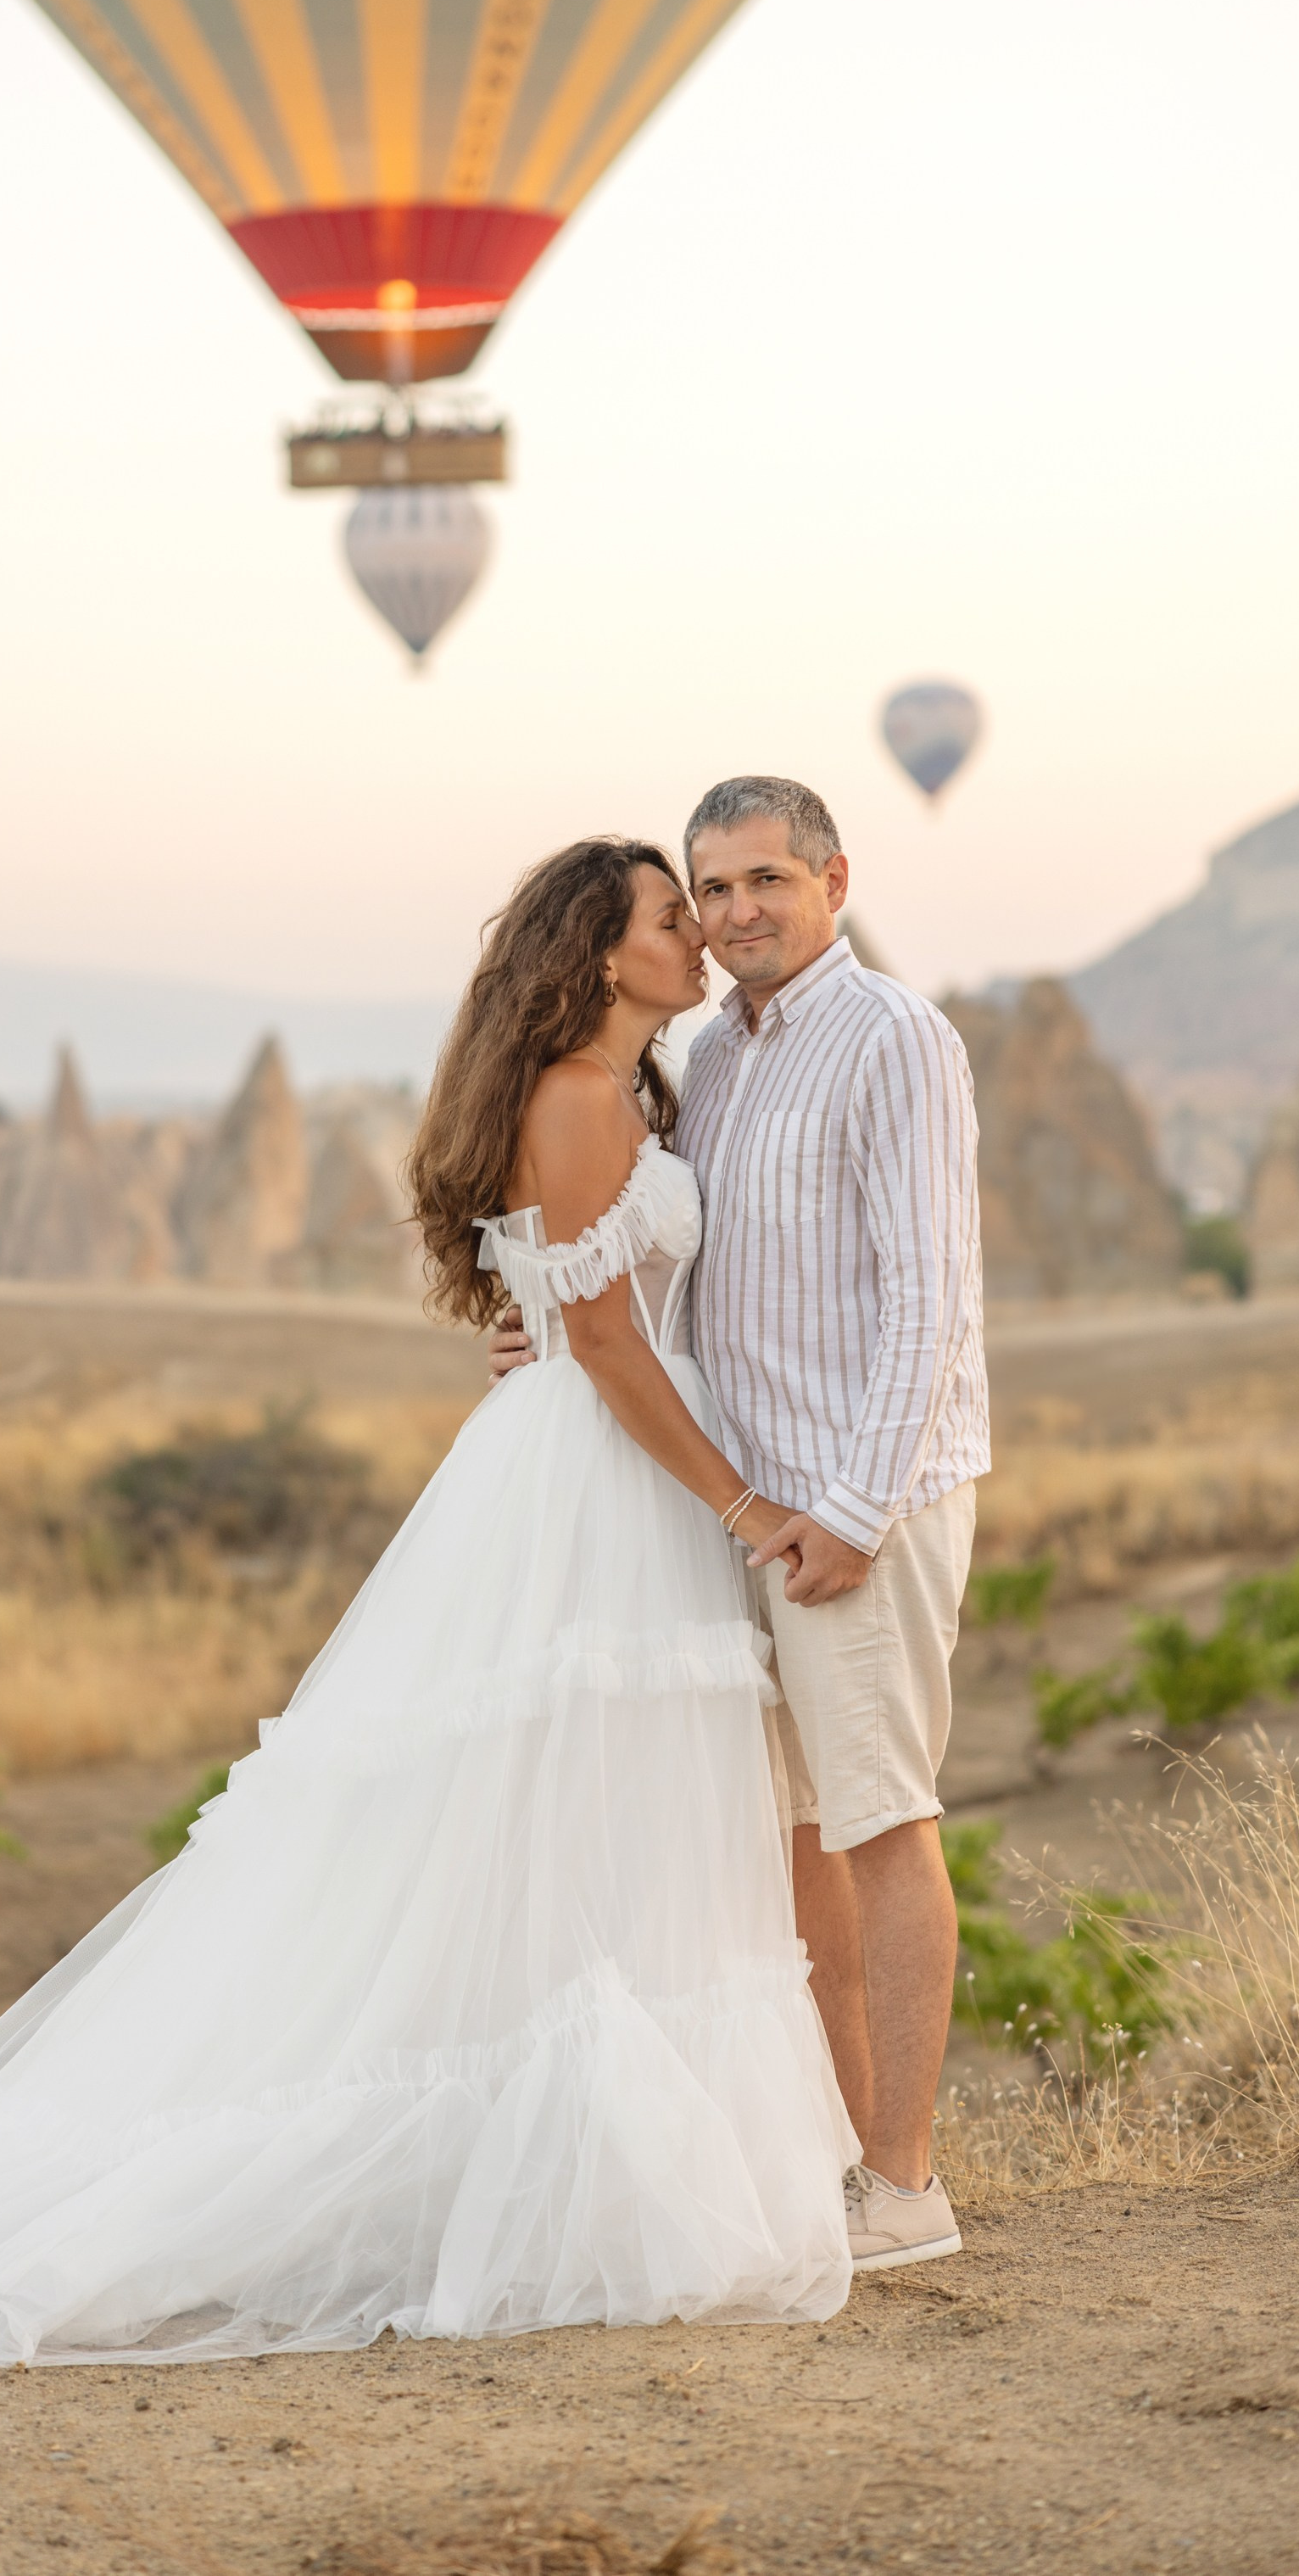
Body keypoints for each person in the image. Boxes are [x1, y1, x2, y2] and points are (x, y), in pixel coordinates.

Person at [0, 837, 856, 2366]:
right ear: (595, 953)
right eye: (666, 917)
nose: (697, 938)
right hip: (607, 1479)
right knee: (580, 1795)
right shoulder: (579, 1099)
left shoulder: (632, 1094)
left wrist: (565, 1352)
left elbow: (584, 1314)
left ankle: (599, 2169)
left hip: (593, 1463)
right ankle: (587, 2179)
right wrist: (738, 1497)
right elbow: (615, 1348)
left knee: (597, 1803)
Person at [490, 779, 987, 2271]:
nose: (736, 913)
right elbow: (657, 1273)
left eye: (766, 879)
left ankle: (902, 2188)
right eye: (710, 891)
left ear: (833, 877)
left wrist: (851, 1510)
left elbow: (930, 1295)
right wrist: (545, 1333)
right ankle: (832, 2163)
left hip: (849, 1504)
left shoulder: (892, 1036)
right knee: (789, 1845)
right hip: (735, 1510)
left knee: (880, 1820)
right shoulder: (709, 1056)